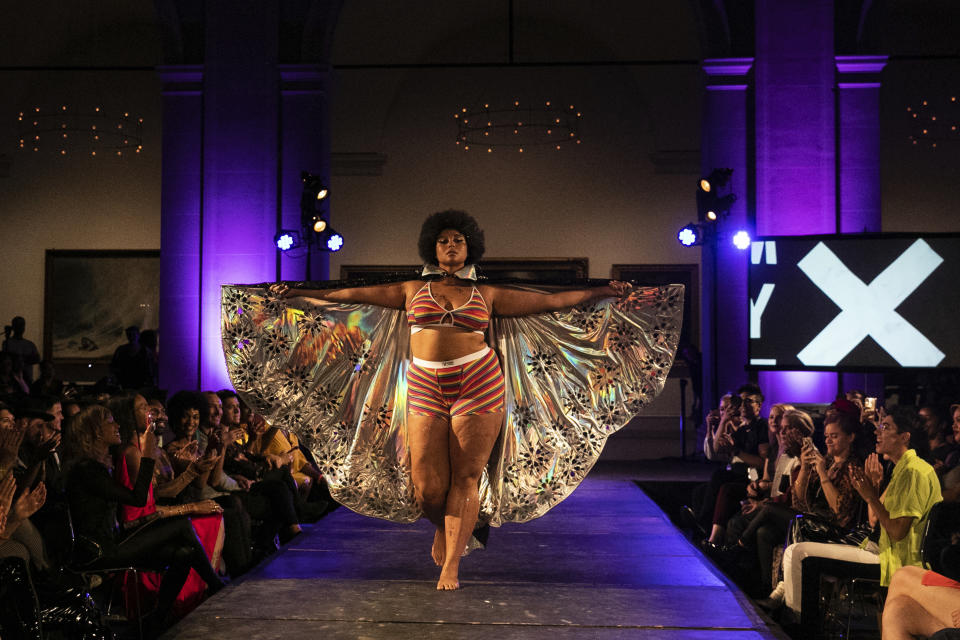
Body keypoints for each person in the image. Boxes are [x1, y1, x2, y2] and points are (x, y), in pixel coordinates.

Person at [269, 210, 641, 590]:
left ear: (470, 249)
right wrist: (301, 292)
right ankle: (453, 525)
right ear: (432, 246)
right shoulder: (411, 290)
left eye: (458, 241)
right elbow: (346, 296)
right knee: (426, 489)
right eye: (444, 240)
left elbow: (552, 302)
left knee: (466, 476)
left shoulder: (487, 294)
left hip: (479, 382)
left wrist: (601, 292)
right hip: (425, 386)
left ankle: (451, 566)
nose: (450, 246)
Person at [63, 404, 224, 634]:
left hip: (113, 541)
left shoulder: (97, 466)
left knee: (184, 553)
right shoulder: (86, 470)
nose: (117, 425)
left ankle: (158, 618)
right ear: (96, 431)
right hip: (98, 552)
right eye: (110, 421)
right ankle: (217, 586)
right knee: (181, 525)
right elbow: (138, 499)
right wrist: (147, 454)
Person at [2, 317, 40, 386]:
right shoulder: (7, 343)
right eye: (18, 325)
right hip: (12, 380)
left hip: (28, 379)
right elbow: (5, 358)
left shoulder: (30, 344)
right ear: (13, 327)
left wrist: (21, 359)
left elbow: (37, 359)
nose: (20, 327)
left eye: (22, 325)